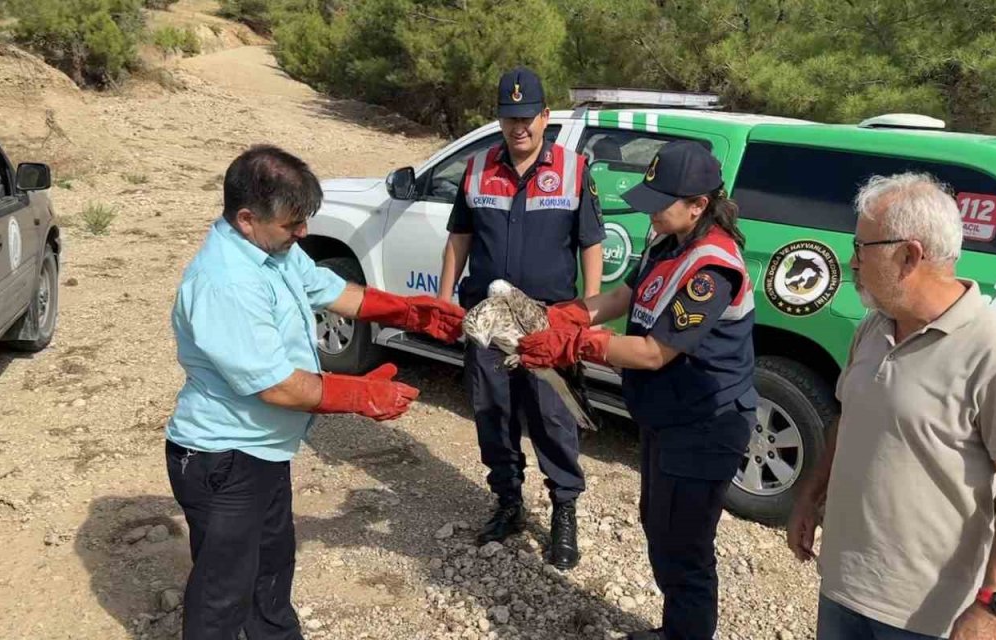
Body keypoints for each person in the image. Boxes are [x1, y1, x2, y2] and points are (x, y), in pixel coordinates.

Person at [166, 144, 464, 640]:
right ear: (246, 218)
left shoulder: (272, 250)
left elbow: (329, 289)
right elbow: (279, 387)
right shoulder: (226, 282)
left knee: (273, 565)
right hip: (223, 456)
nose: (302, 233)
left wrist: (409, 312)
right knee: (224, 592)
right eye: (292, 224)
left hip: (262, 451)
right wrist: (359, 396)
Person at [786, 172, 996, 640]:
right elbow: (847, 421)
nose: (851, 262)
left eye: (861, 248)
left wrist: (992, 605)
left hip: (925, 615)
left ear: (909, 255)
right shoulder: (873, 327)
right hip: (843, 586)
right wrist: (808, 495)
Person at [516, 140, 756, 640]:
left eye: (661, 203)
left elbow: (654, 352)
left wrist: (577, 344)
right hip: (664, 415)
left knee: (684, 549)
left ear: (699, 205)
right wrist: (571, 313)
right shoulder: (668, 237)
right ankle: (675, 629)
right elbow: (628, 293)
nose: (651, 214)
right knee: (658, 524)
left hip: (703, 424)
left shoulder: (712, 268)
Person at [437, 66, 605, 569]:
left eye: (528, 117)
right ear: (500, 119)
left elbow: (590, 243)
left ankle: (564, 510)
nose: (520, 128)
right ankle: (508, 500)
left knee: (553, 417)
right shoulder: (477, 168)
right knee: (493, 412)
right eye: (511, 119)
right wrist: (446, 299)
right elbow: (459, 239)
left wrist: (587, 315)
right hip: (489, 320)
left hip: (547, 322)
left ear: (545, 117)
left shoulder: (574, 169)